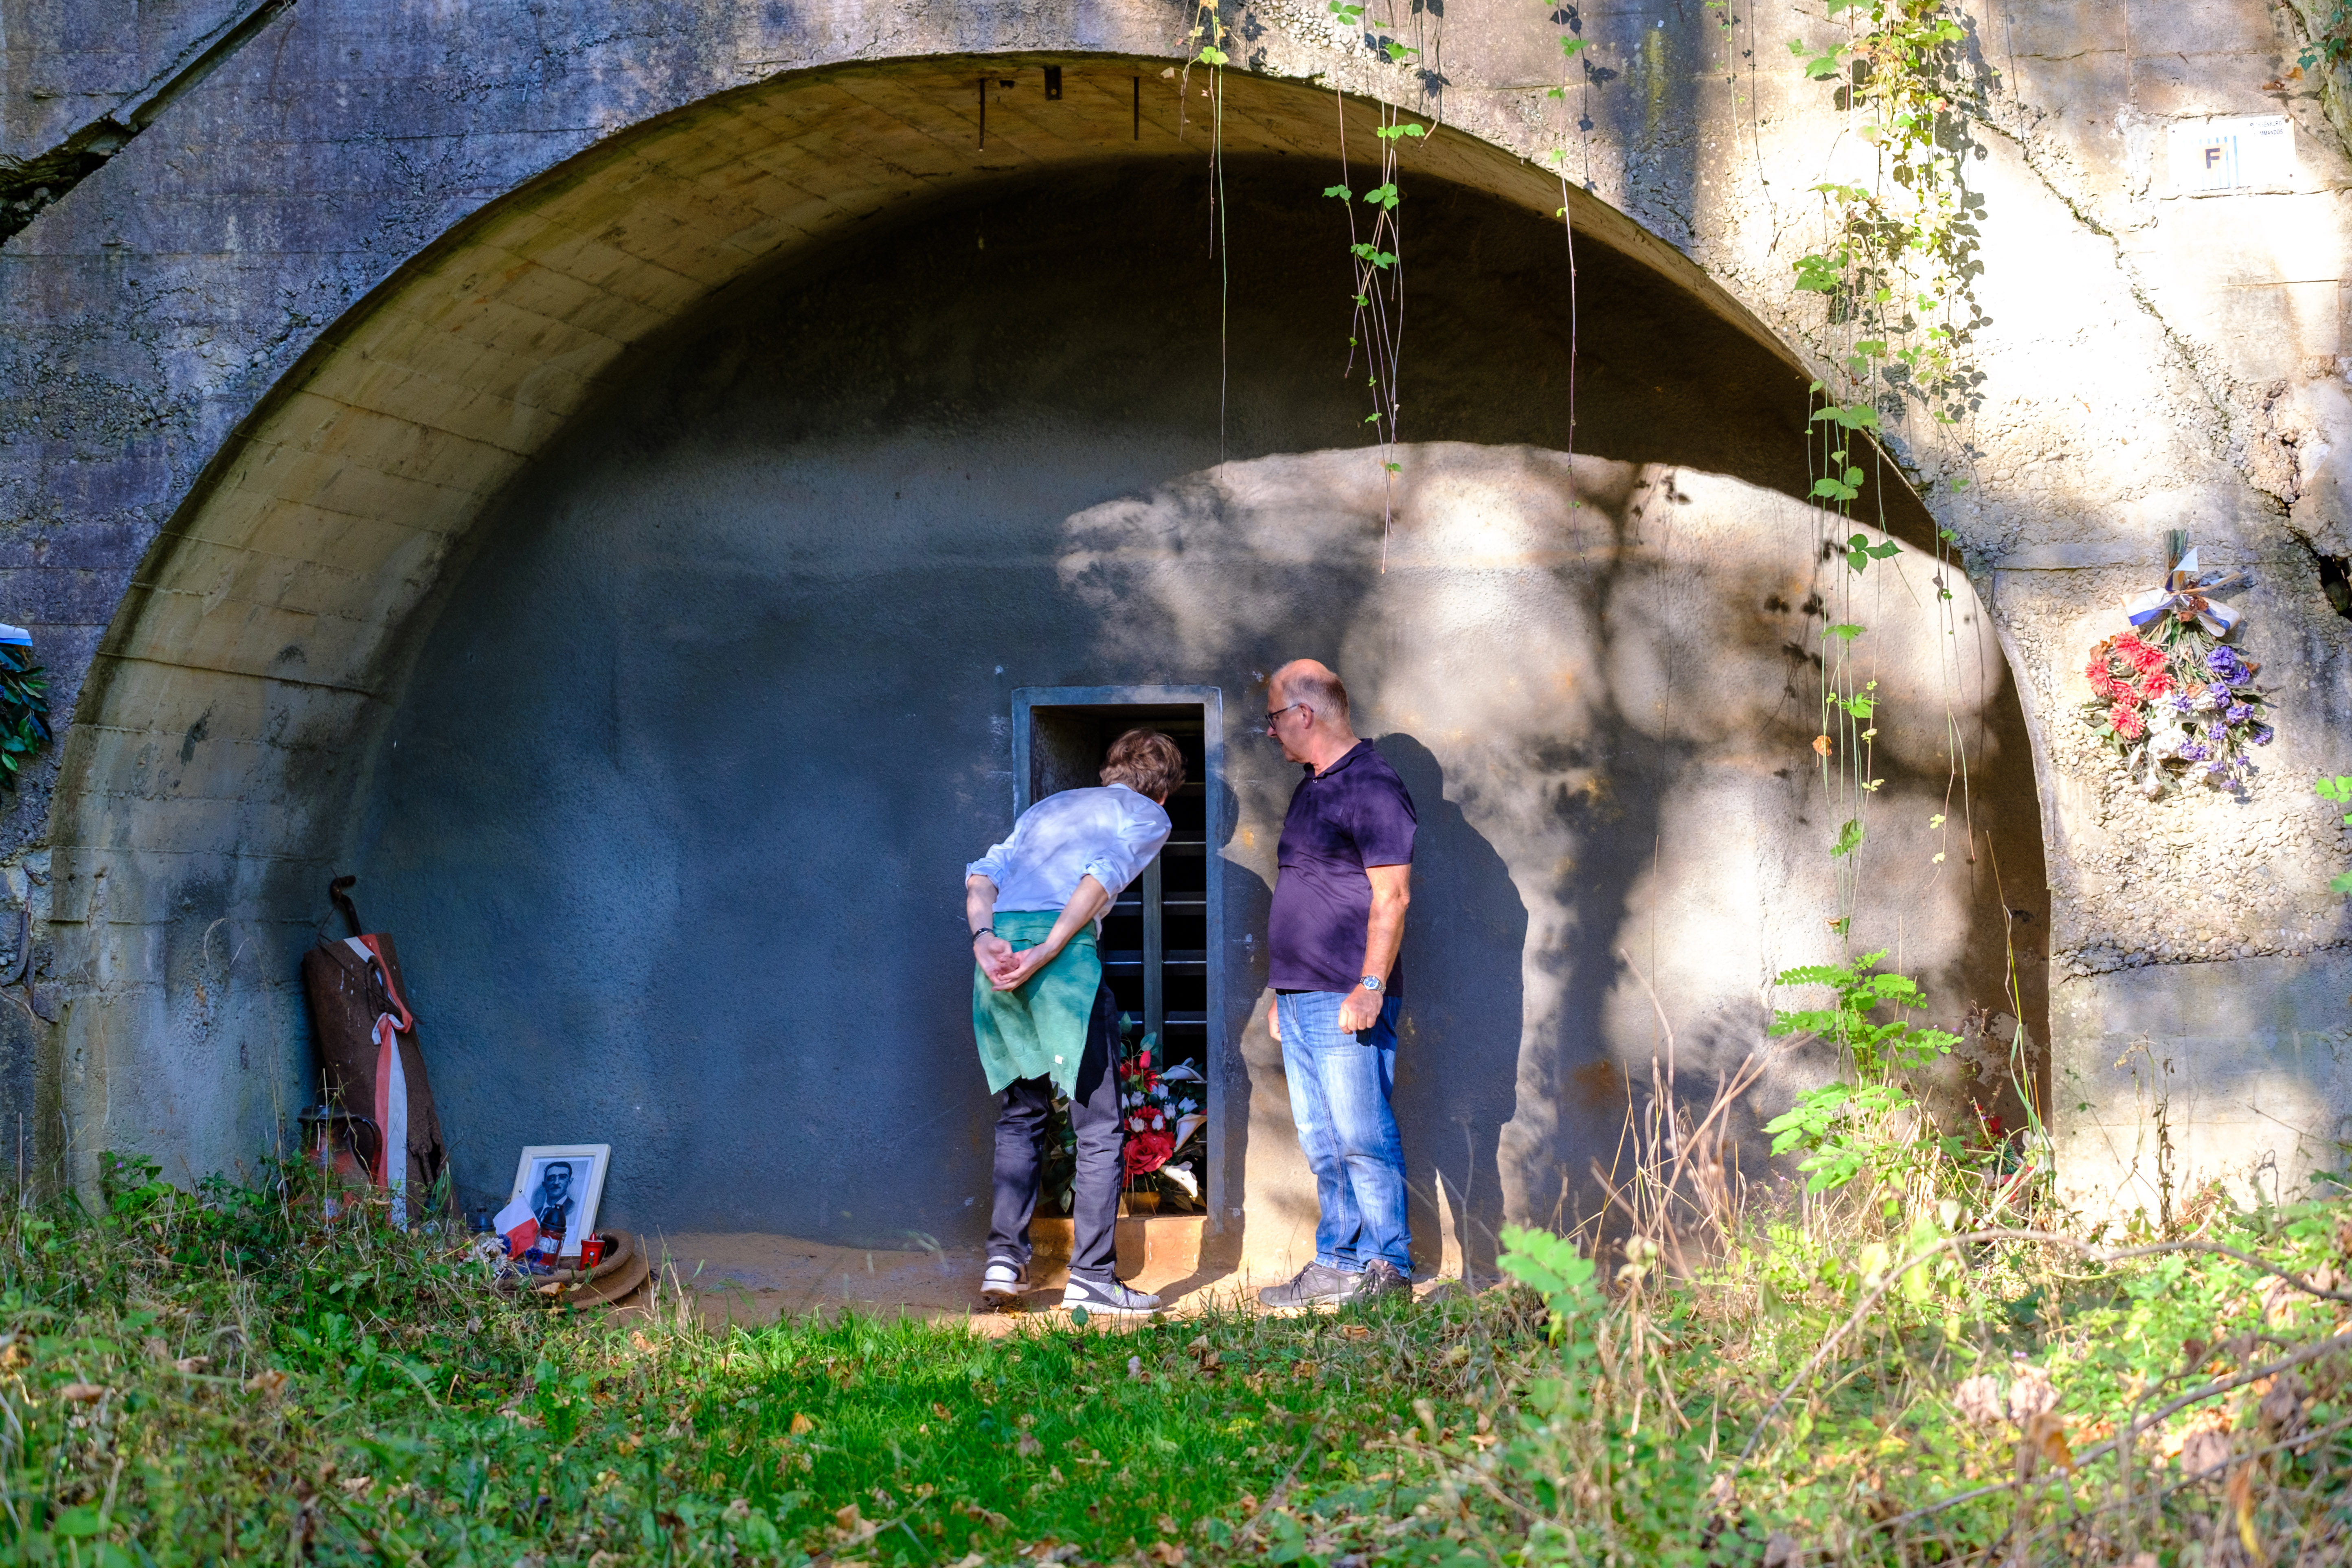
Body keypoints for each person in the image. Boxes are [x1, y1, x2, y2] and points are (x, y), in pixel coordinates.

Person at [964, 727, 1186, 1316]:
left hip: (1000, 952)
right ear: (1162, 792)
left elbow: (983, 875)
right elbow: (1102, 877)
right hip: (1060, 963)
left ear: (1109, 769)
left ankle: (1004, 1262)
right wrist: (1051, 948)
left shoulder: (1049, 807)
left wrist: (985, 940)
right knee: (1099, 1127)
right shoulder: (1147, 816)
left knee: (1021, 1113)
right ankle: (1091, 1278)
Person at [1256, 659, 1417, 1308]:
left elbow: (1394, 896)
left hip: (1348, 995)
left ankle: (1389, 1268)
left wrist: (1371, 985)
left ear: (1305, 714)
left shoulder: (1374, 786)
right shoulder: (1312, 786)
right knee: (1322, 1142)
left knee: (1361, 1137)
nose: (1270, 732)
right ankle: (1338, 1261)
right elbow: (1311, 891)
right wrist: (1282, 992)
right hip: (1301, 996)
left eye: (1273, 718)